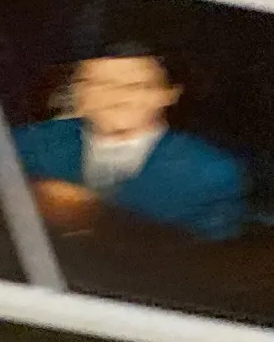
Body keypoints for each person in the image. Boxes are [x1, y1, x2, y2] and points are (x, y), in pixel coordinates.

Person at [15, 43, 247, 240]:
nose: (118, 97)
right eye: (100, 84)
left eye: (136, 86)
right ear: (77, 90)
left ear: (168, 94)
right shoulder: (25, 144)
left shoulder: (210, 172)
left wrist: (96, 213)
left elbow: (212, 259)